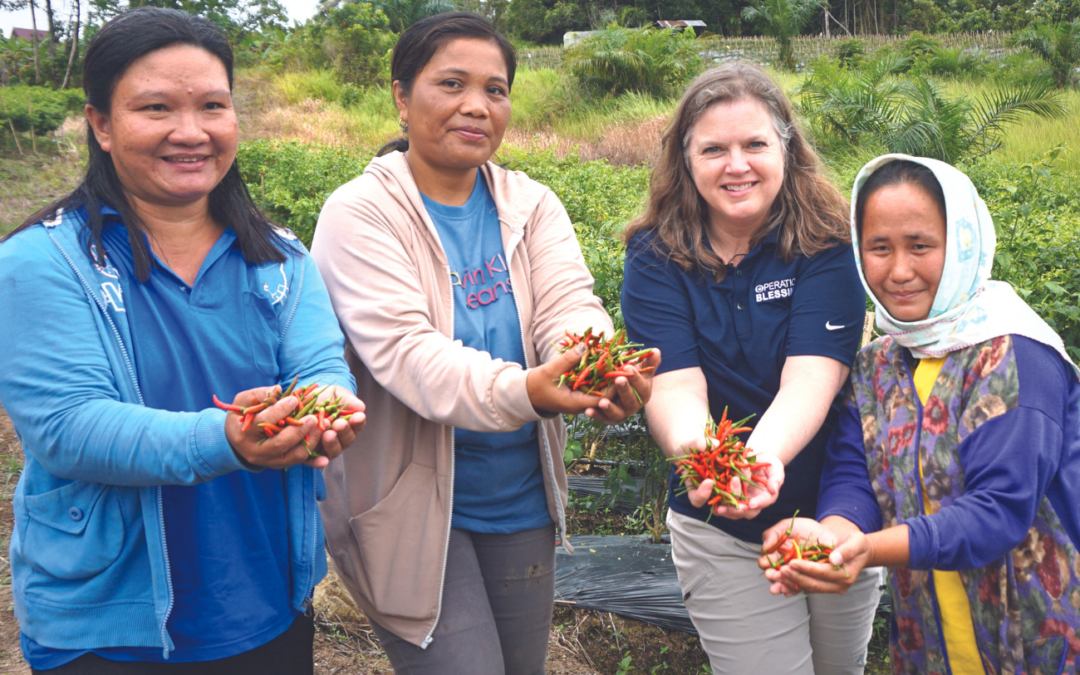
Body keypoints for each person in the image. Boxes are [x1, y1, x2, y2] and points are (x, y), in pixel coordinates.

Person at [0, 8, 366, 674]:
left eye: (212, 106)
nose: (190, 132)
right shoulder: (41, 263)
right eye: (157, 108)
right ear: (101, 124)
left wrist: (326, 407)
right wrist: (228, 439)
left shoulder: (281, 260)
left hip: (265, 597)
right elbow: (69, 427)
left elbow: (320, 365)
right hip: (107, 628)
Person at [309, 12, 658, 675]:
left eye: (495, 90)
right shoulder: (360, 213)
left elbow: (568, 305)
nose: (477, 105)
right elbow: (409, 354)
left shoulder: (531, 204)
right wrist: (527, 387)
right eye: (452, 84)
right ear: (401, 96)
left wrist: (595, 369)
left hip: (517, 496)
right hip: (408, 511)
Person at [759, 155, 1080, 675]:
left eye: (921, 246)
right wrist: (836, 532)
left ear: (962, 246)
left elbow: (998, 511)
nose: (899, 270)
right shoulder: (877, 364)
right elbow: (852, 472)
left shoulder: (1017, 354)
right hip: (930, 641)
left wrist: (870, 549)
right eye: (879, 248)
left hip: (1038, 638)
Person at [620, 62, 882, 674]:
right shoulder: (655, 254)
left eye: (754, 144)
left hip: (834, 512)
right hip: (718, 530)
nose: (735, 165)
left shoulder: (827, 244)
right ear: (685, 160)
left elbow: (811, 380)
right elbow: (676, 385)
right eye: (713, 149)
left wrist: (757, 460)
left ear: (786, 148)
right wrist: (713, 463)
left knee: (840, 667)